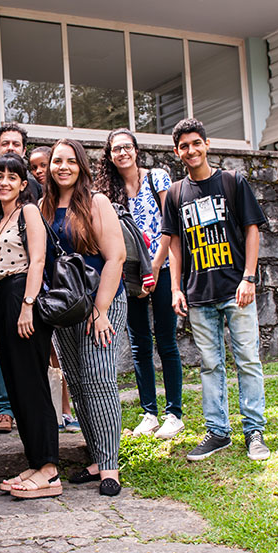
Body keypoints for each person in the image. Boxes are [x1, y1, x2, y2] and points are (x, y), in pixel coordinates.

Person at [162, 117, 270, 462]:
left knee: (247, 360)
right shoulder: (175, 194)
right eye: (184, 146)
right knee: (210, 365)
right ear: (177, 152)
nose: (191, 150)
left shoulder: (232, 182)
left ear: (206, 145)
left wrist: (249, 277)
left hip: (236, 289)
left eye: (196, 143)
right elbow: (174, 245)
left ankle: (254, 431)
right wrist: (176, 289)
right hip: (198, 294)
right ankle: (218, 432)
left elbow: (252, 230)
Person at [40, 139, 127, 496]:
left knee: (99, 379)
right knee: (76, 383)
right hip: (66, 308)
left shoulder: (96, 202)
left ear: (82, 167)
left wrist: (101, 310)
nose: (63, 167)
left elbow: (116, 257)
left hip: (101, 303)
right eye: (57, 161)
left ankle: (110, 467)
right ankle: (95, 457)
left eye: (71, 161)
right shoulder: (43, 208)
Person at [94, 128, 184, 439]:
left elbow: (171, 224)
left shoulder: (157, 178)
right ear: (109, 155)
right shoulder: (107, 191)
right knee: (139, 343)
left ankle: (174, 413)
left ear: (136, 150)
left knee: (166, 340)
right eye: (116, 149)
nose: (122, 153)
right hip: (129, 274)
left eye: (127, 147)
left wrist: (155, 267)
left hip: (163, 266)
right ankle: (150, 413)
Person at [0, 153, 60, 499]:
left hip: (22, 295)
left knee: (32, 383)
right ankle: (35, 461)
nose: (4, 182)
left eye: (12, 177)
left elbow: (38, 259)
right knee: (15, 386)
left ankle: (50, 470)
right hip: (3, 299)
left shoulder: (29, 211)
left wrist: (27, 305)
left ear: (23, 184)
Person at [0, 123, 42, 434]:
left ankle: (36, 422)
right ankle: (5, 409)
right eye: (5, 143)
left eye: (16, 143)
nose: (11, 147)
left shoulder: (32, 195)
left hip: (23, 283)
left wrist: (29, 301)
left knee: (28, 360)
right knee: (0, 353)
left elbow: (38, 252)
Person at [30, 144, 80, 433]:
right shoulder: (38, 204)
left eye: (43, 164)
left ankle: (67, 409)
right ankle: (55, 410)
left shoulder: (75, 199)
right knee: (49, 353)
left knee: (64, 356)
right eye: (34, 167)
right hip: (45, 292)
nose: (39, 170)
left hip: (70, 290)